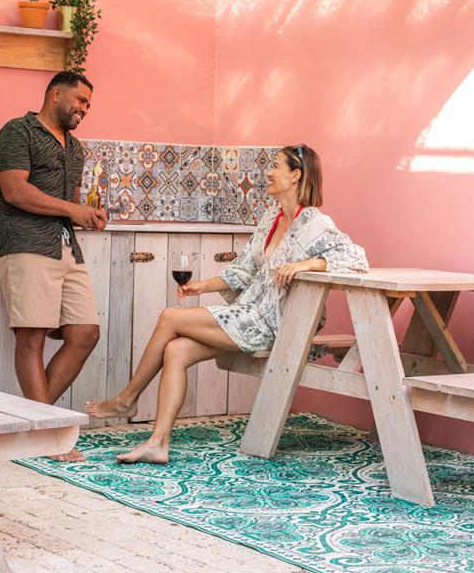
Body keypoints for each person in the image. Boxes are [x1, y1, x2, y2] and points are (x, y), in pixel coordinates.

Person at [85, 144, 368, 464]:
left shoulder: (315, 223)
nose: (269, 172)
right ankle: (158, 443)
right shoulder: (271, 219)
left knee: (169, 317)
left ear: (295, 176)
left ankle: (126, 399)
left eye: (276, 166)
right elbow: (243, 270)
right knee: (175, 351)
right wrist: (201, 287)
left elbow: (356, 258)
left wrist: (308, 264)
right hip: (248, 314)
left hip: (273, 324)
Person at [0, 70, 108, 462]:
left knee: (85, 333)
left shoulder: (76, 150)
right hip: (23, 241)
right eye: (80, 100)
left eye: (88, 105)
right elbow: (15, 191)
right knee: (32, 337)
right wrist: (72, 210)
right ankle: (47, 435)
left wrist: (85, 214)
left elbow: (67, 204)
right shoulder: (17, 131)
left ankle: (32, 426)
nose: (84, 109)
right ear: (56, 94)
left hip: (64, 246)